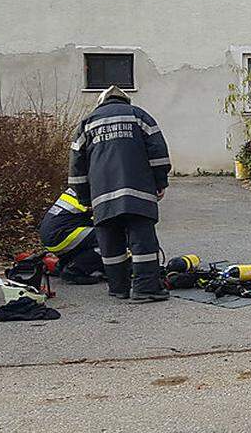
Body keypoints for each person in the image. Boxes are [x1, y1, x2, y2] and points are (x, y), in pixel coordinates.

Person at [68, 86, 172, 303]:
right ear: (125, 100)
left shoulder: (87, 123)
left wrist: (84, 198)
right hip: (138, 193)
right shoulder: (139, 116)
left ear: (101, 102)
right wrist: (160, 181)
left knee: (110, 243)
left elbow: (77, 166)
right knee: (142, 241)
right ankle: (145, 289)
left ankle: (118, 288)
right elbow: (158, 152)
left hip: (102, 197)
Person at [38, 188, 104, 285]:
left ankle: (64, 263)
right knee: (108, 239)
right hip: (61, 235)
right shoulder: (94, 190)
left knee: (91, 235)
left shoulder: (78, 188)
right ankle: (75, 269)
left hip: (52, 235)